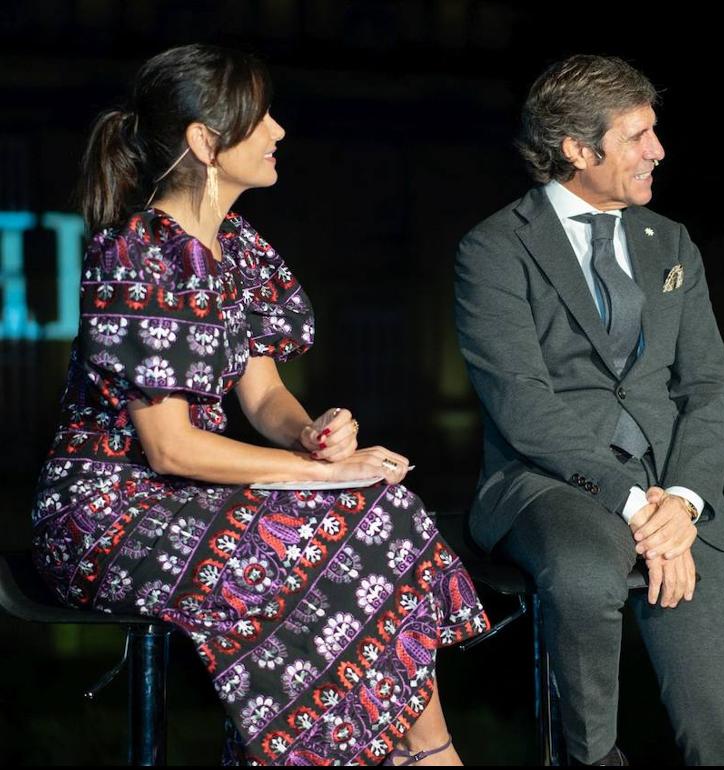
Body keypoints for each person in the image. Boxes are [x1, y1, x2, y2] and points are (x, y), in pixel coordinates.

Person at [30, 43, 487, 766]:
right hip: (110, 511)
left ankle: (419, 753)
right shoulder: (136, 254)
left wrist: (312, 436)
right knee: (318, 536)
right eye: (259, 118)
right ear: (206, 143)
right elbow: (169, 448)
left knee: (384, 509)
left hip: (194, 499)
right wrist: (325, 477)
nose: (278, 131)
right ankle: (420, 758)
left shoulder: (238, 249)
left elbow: (265, 393)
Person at [453, 55, 724, 765]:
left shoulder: (670, 242)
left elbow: (711, 386)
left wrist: (681, 501)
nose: (658, 150)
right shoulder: (495, 249)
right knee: (585, 574)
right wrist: (634, 503)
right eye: (637, 135)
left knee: (721, 740)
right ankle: (588, 758)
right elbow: (520, 403)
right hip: (547, 482)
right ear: (578, 151)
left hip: (674, 495)